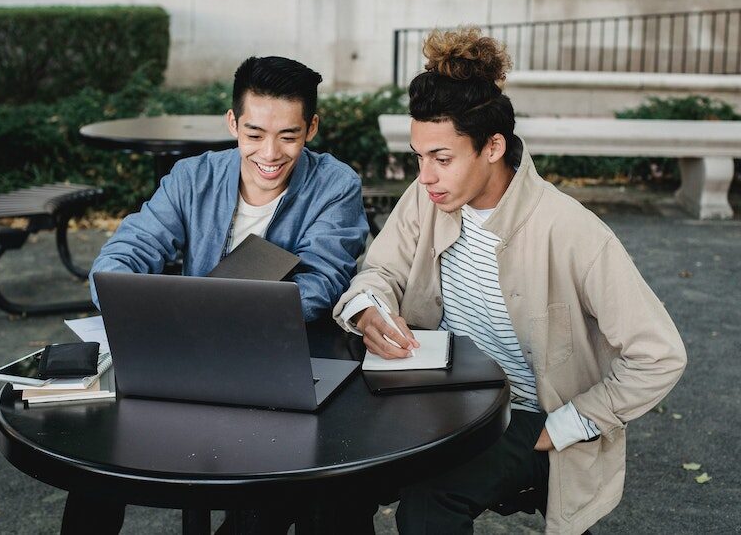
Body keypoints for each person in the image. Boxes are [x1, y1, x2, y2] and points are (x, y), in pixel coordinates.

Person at [333, 27, 687, 535]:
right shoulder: (426, 197)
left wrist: (566, 425)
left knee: (429, 503)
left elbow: (660, 354)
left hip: (524, 413)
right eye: (418, 156)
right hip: (434, 397)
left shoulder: (570, 230)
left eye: (442, 158)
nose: (425, 175)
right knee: (335, 479)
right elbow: (380, 271)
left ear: (493, 146)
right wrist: (369, 309)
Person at [62, 56, 370, 535]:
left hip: (283, 362)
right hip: (188, 355)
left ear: (311, 127)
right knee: (95, 467)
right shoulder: (192, 177)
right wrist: (125, 292)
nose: (270, 153)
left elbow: (323, 281)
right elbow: (127, 249)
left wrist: (221, 309)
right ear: (232, 123)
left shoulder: (335, 185)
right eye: (254, 134)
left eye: (288, 135)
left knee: (276, 496)